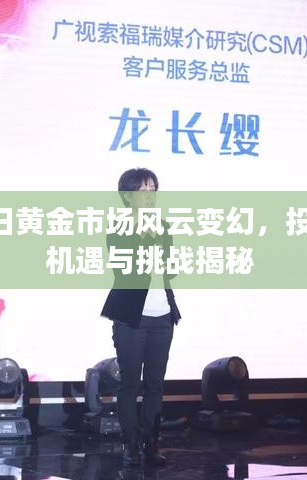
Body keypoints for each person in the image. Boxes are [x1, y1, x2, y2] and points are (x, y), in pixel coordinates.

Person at [101, 168, 181, 468]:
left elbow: (170, 269)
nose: (149, 195)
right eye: (142, 189)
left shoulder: (163, 226)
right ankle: (130, 446)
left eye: (152, 189)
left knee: (155, 386)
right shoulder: (118, 228)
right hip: (131, 319)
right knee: (130, 385)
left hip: (163, 316)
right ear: (127, 196)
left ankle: (151, 443)